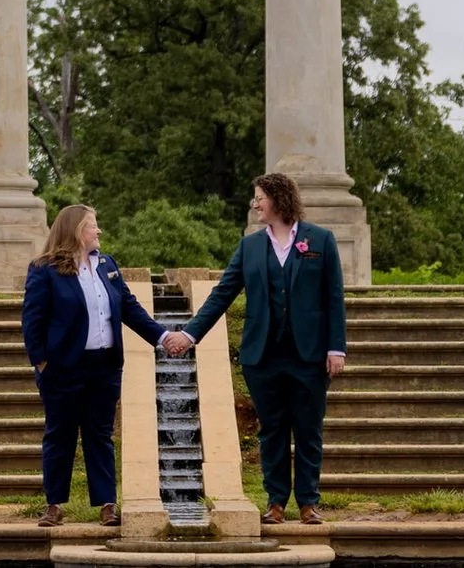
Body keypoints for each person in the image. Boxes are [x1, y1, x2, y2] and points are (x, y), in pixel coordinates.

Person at [179, 171, 346, 525]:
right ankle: (275, 502)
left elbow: (333, 299)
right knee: (272, 430)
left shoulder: (321, 240)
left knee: (308, 430)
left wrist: (336, 348)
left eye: (259, 198)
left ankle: (308, 502)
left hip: (309, 355)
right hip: (263, 356)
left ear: (278, 199)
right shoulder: (250, 246)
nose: (255, 204)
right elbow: (223, 294)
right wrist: (190, 335)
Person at [21, 203, 181, 528]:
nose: (99, 231)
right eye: (93, 225)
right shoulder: (44, 269)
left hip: (104, 367)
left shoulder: (107, 265)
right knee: (60, 435)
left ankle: (108, 505)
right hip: (62, 368)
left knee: (100, 435)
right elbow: (32, 320)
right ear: (77, 230)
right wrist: (41, 361)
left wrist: (163, 337)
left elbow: (130, 308)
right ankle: (54, 505)